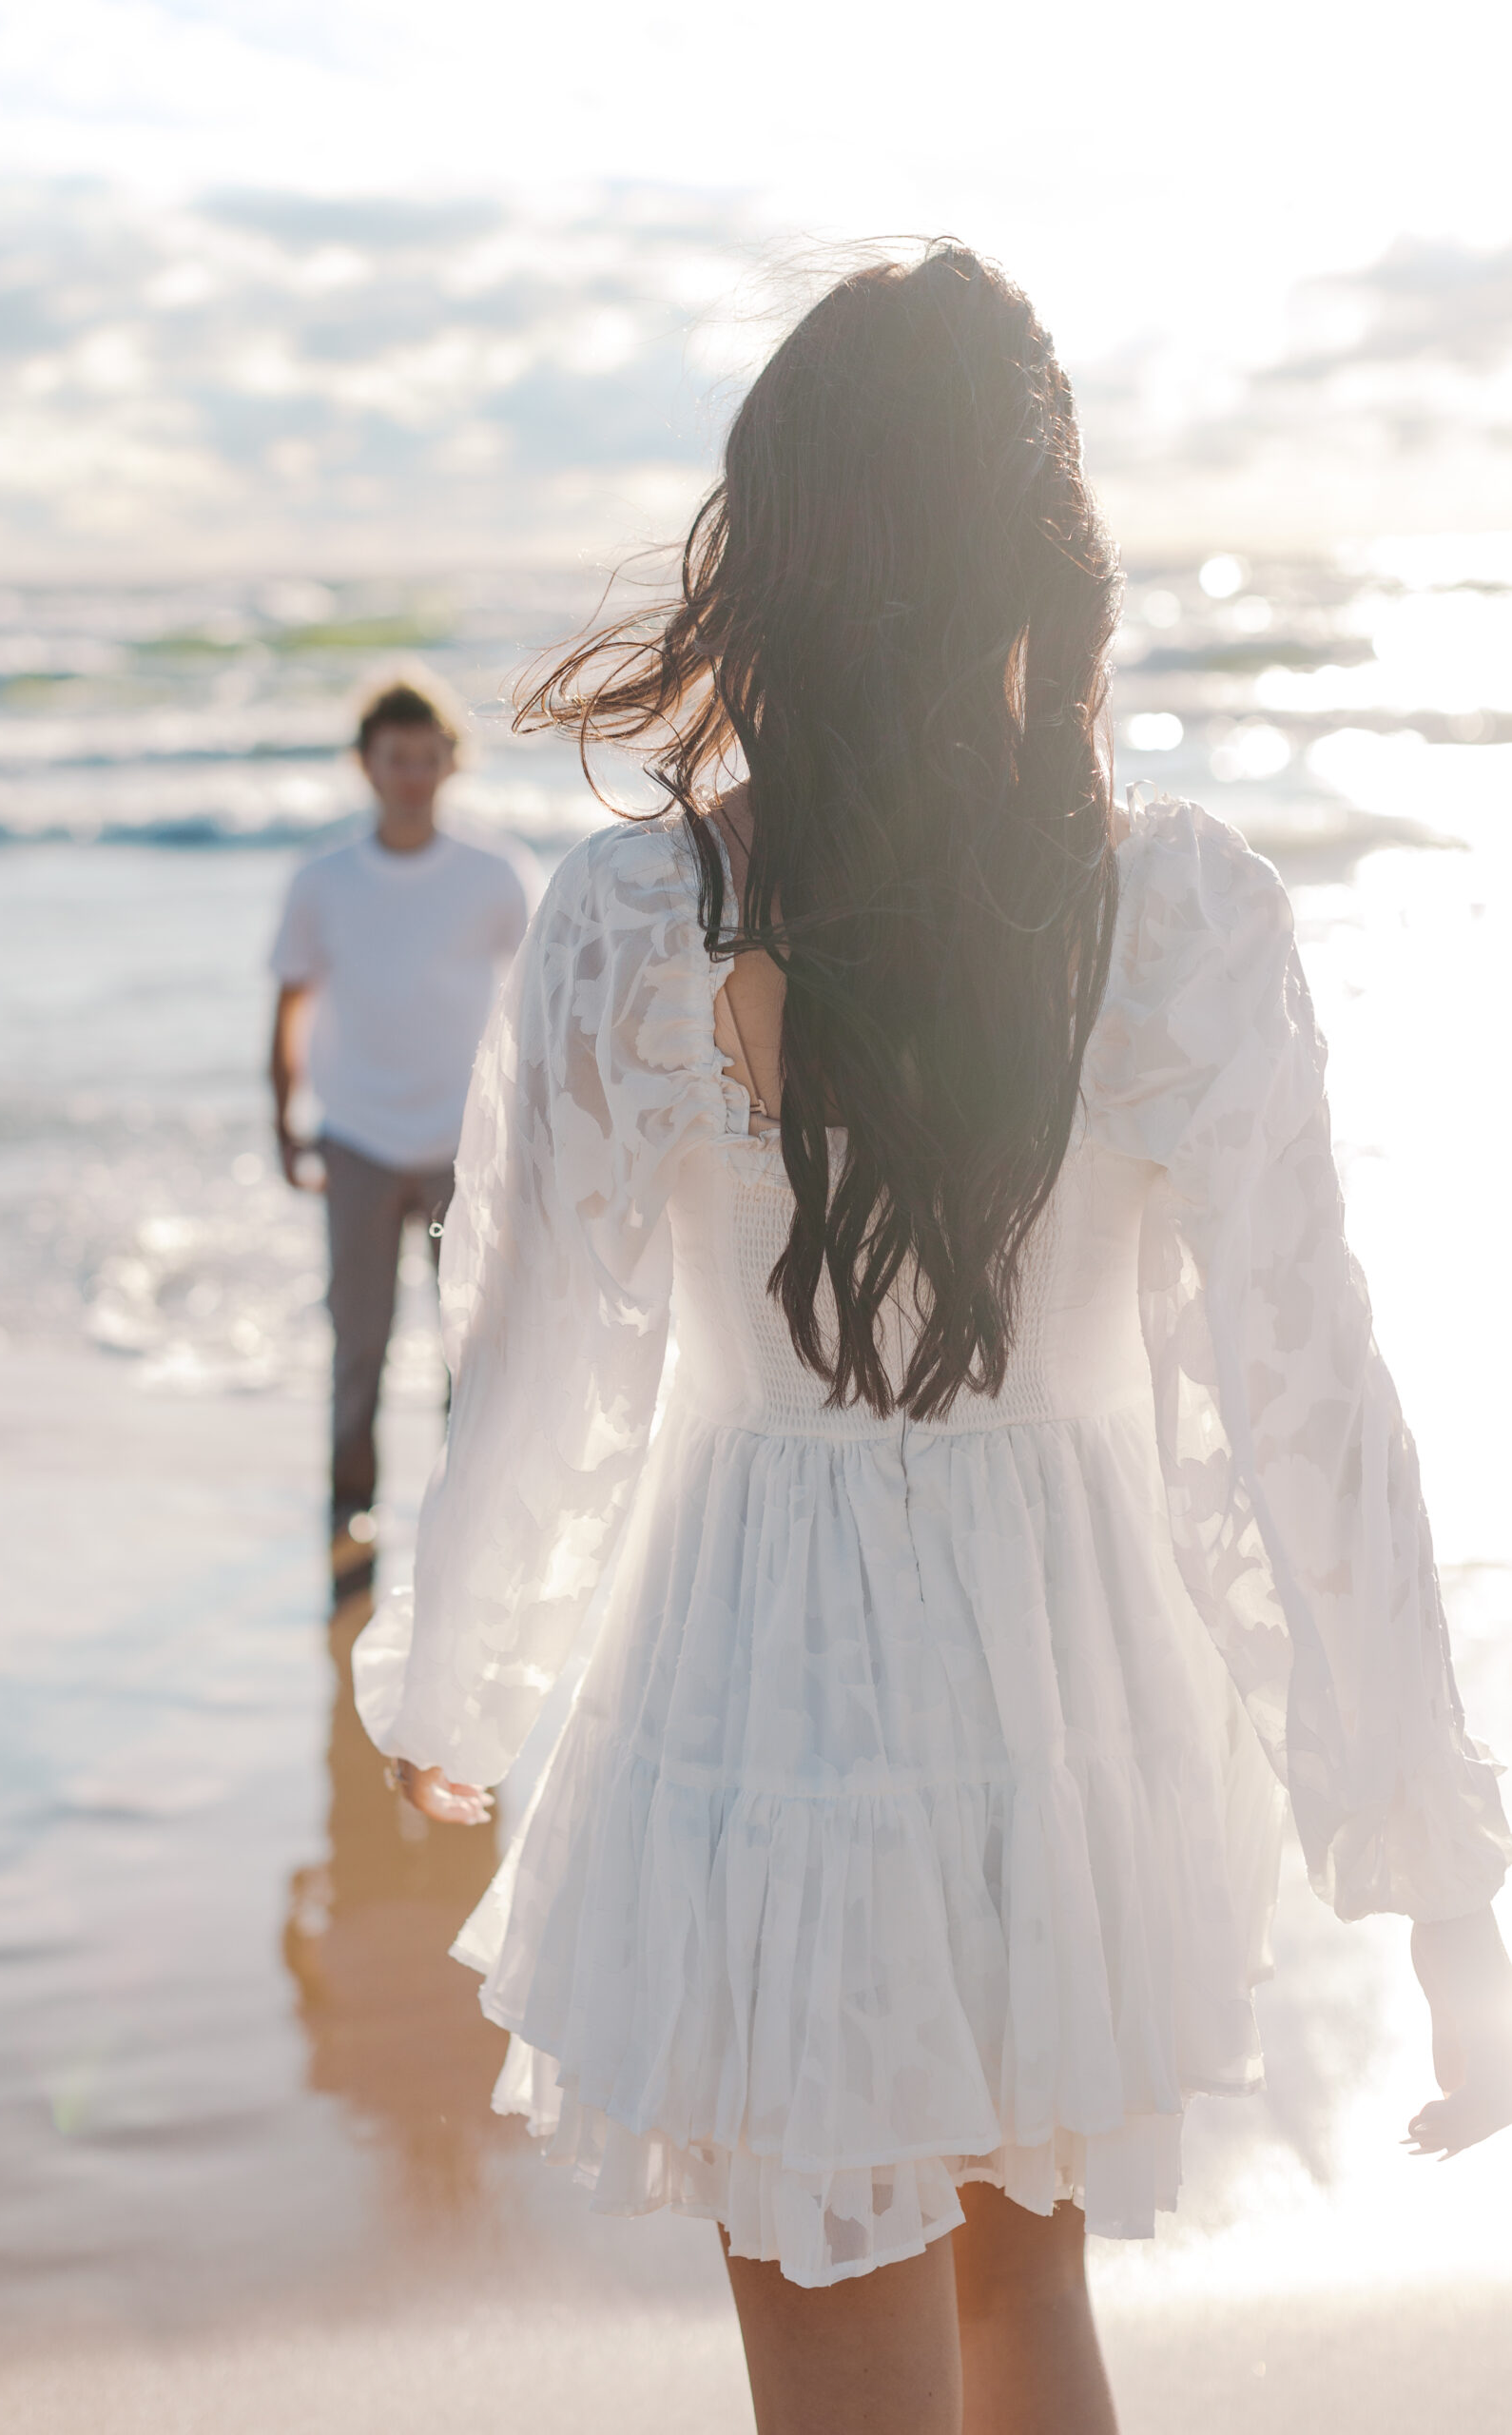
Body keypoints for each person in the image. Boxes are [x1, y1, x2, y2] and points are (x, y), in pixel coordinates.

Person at [352, 252, 1512, 2434]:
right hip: (1059, 1686)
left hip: (759, 1669)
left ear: (765, 560)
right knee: (1015, 2314)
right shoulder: (1168, 908)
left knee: (841, 2358)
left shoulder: (634, 913)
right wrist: (1438, 1889)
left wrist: (459, 1673)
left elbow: (533, 1352)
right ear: (1040, 561)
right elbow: (1305, 1404)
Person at [269, 676, 530, 1572]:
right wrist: (284, 1121)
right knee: (361, 1345)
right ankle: (351, 1527)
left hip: (461, 1150)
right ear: (366, 766)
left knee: (468, 1343)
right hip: (359, 1146)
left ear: (453, 761)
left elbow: (537, 1002)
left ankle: (461, 1526)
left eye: (428, 758)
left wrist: (529, 1129)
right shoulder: (323, 880)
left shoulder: (494, 874)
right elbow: (291, 1004)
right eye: (395, 759)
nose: (412, 776)